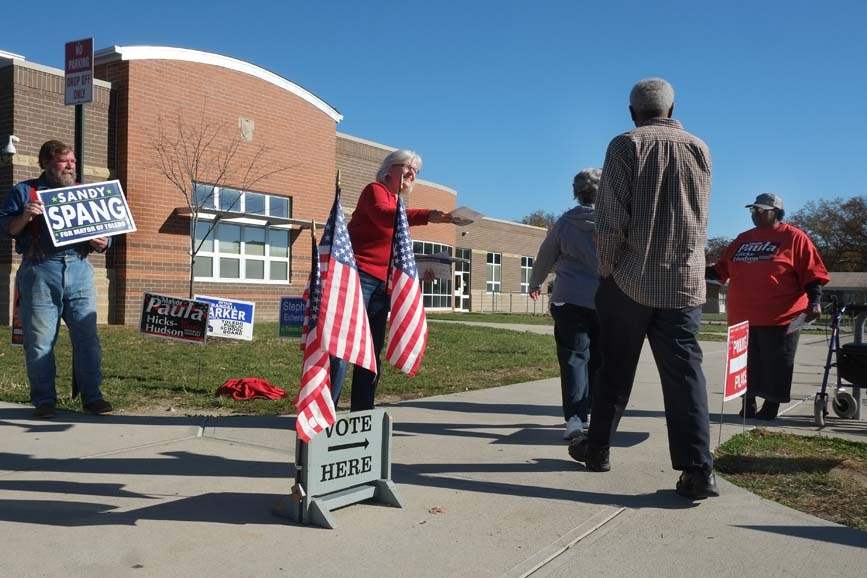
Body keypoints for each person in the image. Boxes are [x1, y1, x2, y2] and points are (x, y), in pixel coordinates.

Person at [568, 78, 719, 499]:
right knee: (685, 373)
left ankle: (598, 449)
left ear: (632, 111)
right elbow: (699, 216)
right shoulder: (700, 148)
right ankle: (698, 470)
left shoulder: (625, 144)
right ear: (672, 109)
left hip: (631, 278)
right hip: (684, 282)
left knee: (615, 368)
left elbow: (610, 218)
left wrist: (608, 270)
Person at [330, 149, 453, 411]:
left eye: (416, 171)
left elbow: (396, 250)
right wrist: (427, 215)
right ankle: (326, 409)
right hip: (359, 277)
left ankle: (363, 411)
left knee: (371, 350)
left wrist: (420, 271)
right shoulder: (374, 191)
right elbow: (383, 217)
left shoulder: (398, 205)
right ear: (389, 170)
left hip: (383, 284)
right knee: (342, 345)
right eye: (407, 167)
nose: (412, 174)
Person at [0, 140, 113, 419]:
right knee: (39, 341)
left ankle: (93, 398)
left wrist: (103, 242)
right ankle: (44, 401)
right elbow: (8, 229)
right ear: (46, 163)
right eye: (64, 161)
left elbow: (106, 233)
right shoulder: (24, 191)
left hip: (79, 269)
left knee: (87, 339)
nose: (71, 166)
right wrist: (25, 216)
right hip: (40, 270)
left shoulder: (84, 193)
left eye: (72, 161)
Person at [708, 193, 828, 420]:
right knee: (743, 365)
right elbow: (721, 270)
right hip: (742, 317)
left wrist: (815, 301)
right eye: (753, 210)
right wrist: (695, 268)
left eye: (762, 210)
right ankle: (748, 403)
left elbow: (812, 273)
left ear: (777, 212)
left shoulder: (794, 237)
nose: (755, 214)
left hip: (780, 317)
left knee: (776, 364)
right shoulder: (743, 239)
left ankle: (771, 406)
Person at [528, 168, 602, 440]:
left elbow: (545, 255)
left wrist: (535, 282)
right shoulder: (614, 223)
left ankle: (575, 418)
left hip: (568, 299)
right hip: (604, 301)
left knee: (573, 358)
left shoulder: (564, 223)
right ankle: (593, 411)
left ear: (576, 193)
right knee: (599, 359)